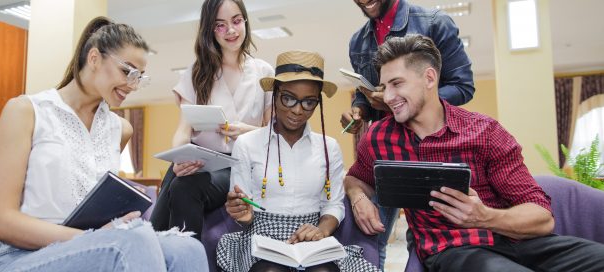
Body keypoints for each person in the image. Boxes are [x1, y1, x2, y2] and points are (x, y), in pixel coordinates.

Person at [345, 34, 604, 272]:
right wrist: (358, 198)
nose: (387, 97)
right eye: (383, 87)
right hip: (455, 249)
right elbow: (356, 177)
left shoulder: (485, 131)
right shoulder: (379, 137)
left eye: (396, 84)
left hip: (518, 242)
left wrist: (484, 216)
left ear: (429, 78)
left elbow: (542, 218)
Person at [0, 17, 207, 272]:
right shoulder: (26, 111)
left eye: (139, 77)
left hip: (92, 246)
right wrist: (93, 238)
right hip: (21, 257)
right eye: (128, 71)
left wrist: (103, 234)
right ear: (93, 58)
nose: (133, 85)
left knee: (187, 248)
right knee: (133, 240)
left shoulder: (120, 129)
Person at [217, 51, 379, 272]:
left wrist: (321, 230)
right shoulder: (246, 144)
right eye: (288, 98)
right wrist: (244, 216)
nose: (297, 109)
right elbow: (244, 209)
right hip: (260, 238)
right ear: (275, 95)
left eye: (308, 102)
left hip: (312, 237)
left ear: (317, 103)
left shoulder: (329, 148)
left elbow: (333, 204)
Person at [341, 0, 475, 268]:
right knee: (368, 240)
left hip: (433, 148)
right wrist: (359, 110)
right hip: (384, 151)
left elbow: (463, 86)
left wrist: (405, 102)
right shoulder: (358, 41)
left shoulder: (434, 23)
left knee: (427, 241)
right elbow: (364, 93)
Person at [150, 0, 274, 240]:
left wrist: (248, 130)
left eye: (237, 21)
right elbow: (182, 130)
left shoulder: (263, 72)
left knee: (185, 186)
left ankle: (186, 261)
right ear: (209, 30)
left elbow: (273, 134)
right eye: (220, 25)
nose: (231, 30)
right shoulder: (198, 72)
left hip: (240, 164)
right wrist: (180, 157)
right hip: (199, 159)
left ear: (245, 22)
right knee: (179, 178)